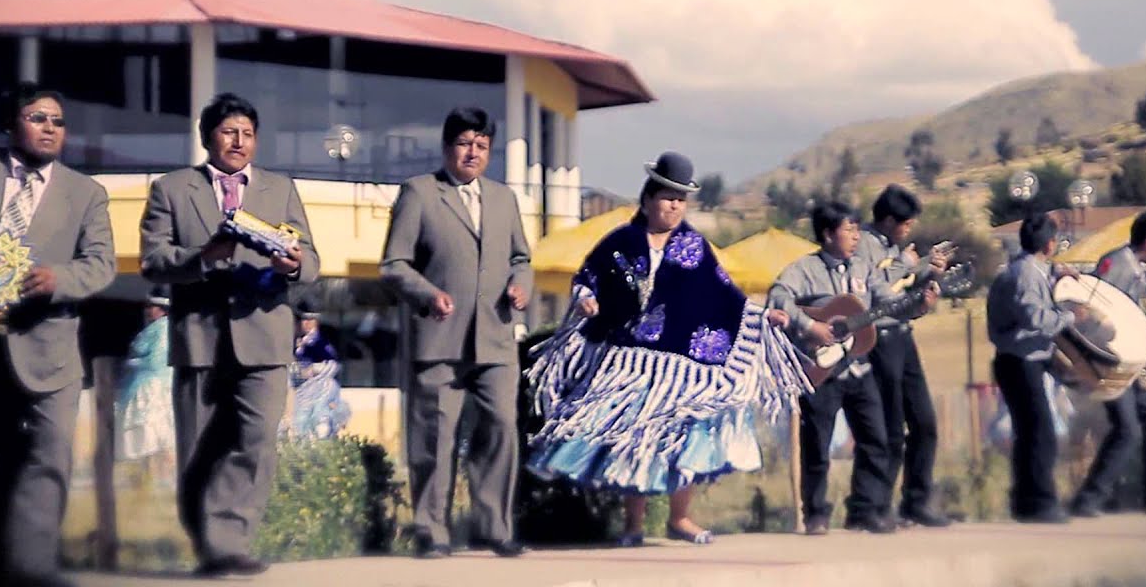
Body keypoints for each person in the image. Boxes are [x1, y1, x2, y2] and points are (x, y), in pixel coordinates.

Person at [528, 152, 810, 546]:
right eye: (667, 196)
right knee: (632, 438)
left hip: (682, 363)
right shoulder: (619, 242)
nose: (674, 205)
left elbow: (725, 295)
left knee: (685, 435)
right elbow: (587, 276)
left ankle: (680, 518)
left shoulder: (694, 246)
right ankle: (633, 525)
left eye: (681, 199)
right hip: (628, 359)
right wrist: (585, 297)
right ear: (647, 200)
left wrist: (763, 317)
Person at [140, 93, 319, 577]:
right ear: (207, 138)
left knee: (256, 440)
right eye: (228, 131)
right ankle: (207, 542)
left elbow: (313, 261)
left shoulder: (280, 189)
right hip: (201, 338)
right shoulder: (172, 189)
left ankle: (231, 538)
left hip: (264, 336)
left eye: (247, 133)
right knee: (200, 445)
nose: (238, 141)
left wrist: (295, 264)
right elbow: (153, 261)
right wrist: (205, 256)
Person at [0, 82, 117, 587]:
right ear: (12, 124)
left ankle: (31, 572)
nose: (51, 128)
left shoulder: (87, 194)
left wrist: (61, 280)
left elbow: (101, 265)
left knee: (47, 461)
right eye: (38, 118)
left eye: (58, 121)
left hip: (51, 351)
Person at [380, 107, 532, 559]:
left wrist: (520, 285)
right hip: (439, 338)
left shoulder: (504, 199)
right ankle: (431, 530)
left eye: (482, 145)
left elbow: (521, 258)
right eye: (465, 143)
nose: (473, 152)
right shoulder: (420, 193)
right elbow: (394, 265)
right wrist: (427, 294)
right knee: (435, 437)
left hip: (496, 339)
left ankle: (494, 527)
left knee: (502, 427)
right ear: (448, 147)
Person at [768, 200, 936, 536]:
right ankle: (816, 513)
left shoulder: (863, 269)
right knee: (817, 444)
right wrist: (810, 327)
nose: (857, 236)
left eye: (858, 229)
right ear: (828, 234)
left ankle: (865, 509)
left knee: (877, 439)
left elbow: (885, 303)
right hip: (821, 369)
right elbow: (779, 297)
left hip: (859, 367)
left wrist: (917, 305)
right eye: (849, 229)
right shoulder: (804, 270)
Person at [1069, 210, 1146, 517]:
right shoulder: (1117, 264)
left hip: (1130, 363)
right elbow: (1099, 308)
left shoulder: (1135, 269)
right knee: (1128, 430)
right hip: (1112, 361)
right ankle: (1089, 499)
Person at [858, 184, 950, 527]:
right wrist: (906, 263)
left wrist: (929, 273)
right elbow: (872, 290)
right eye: (905, 224)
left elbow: (903, 293)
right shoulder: (865, 245)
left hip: (903, 335)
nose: (909, 231)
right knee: (891, 427)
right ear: (888, 220)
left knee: (924, 422)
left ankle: (917, 500)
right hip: (880, 339)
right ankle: (877, 507)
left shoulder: (897, 250)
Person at [985, 213, 1076, 524]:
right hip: (1021, 361)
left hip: (1021, 361)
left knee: (1027, 432)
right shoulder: (1026, 274)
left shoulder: (1027, 270)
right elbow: (1033, 318)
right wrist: (1069, 316)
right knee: (1041, 433)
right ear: (1050, 244)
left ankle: (1025, 500)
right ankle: (1040, 501)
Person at [115, 285, 177, 487]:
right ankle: (146, 482)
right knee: (149, 442)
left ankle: (158, 482)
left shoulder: (163, 329)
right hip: (144, 385)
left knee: (154, 438)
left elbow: (155, 361)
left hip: (152, 389)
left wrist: (130, 363)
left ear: (162, 309)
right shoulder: (155, 329)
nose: (148, 310)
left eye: (152, 306)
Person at [289, 306, 351, 440]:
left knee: (321, 420)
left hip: (319, 387)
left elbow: (333, 364)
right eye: (303, 320)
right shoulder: (300, 341)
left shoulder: (319, 341)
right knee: (301, 423)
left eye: (308, 320)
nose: (304, 323)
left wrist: (314, 370)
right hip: (303, 389)